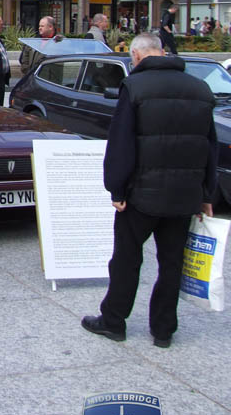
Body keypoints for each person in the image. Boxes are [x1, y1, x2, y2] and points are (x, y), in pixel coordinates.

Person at [82, 33, 216, 348]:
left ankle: (114, 321)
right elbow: (209, 147)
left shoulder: (135, 87)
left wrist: (116, 189)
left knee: (126, 259)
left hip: (141, 194)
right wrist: (207, 194)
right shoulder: (201, 88)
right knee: (172, 263)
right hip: (185, 197)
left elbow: (122, 144)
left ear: (139, 56)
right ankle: (164, 330)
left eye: (131, 58)